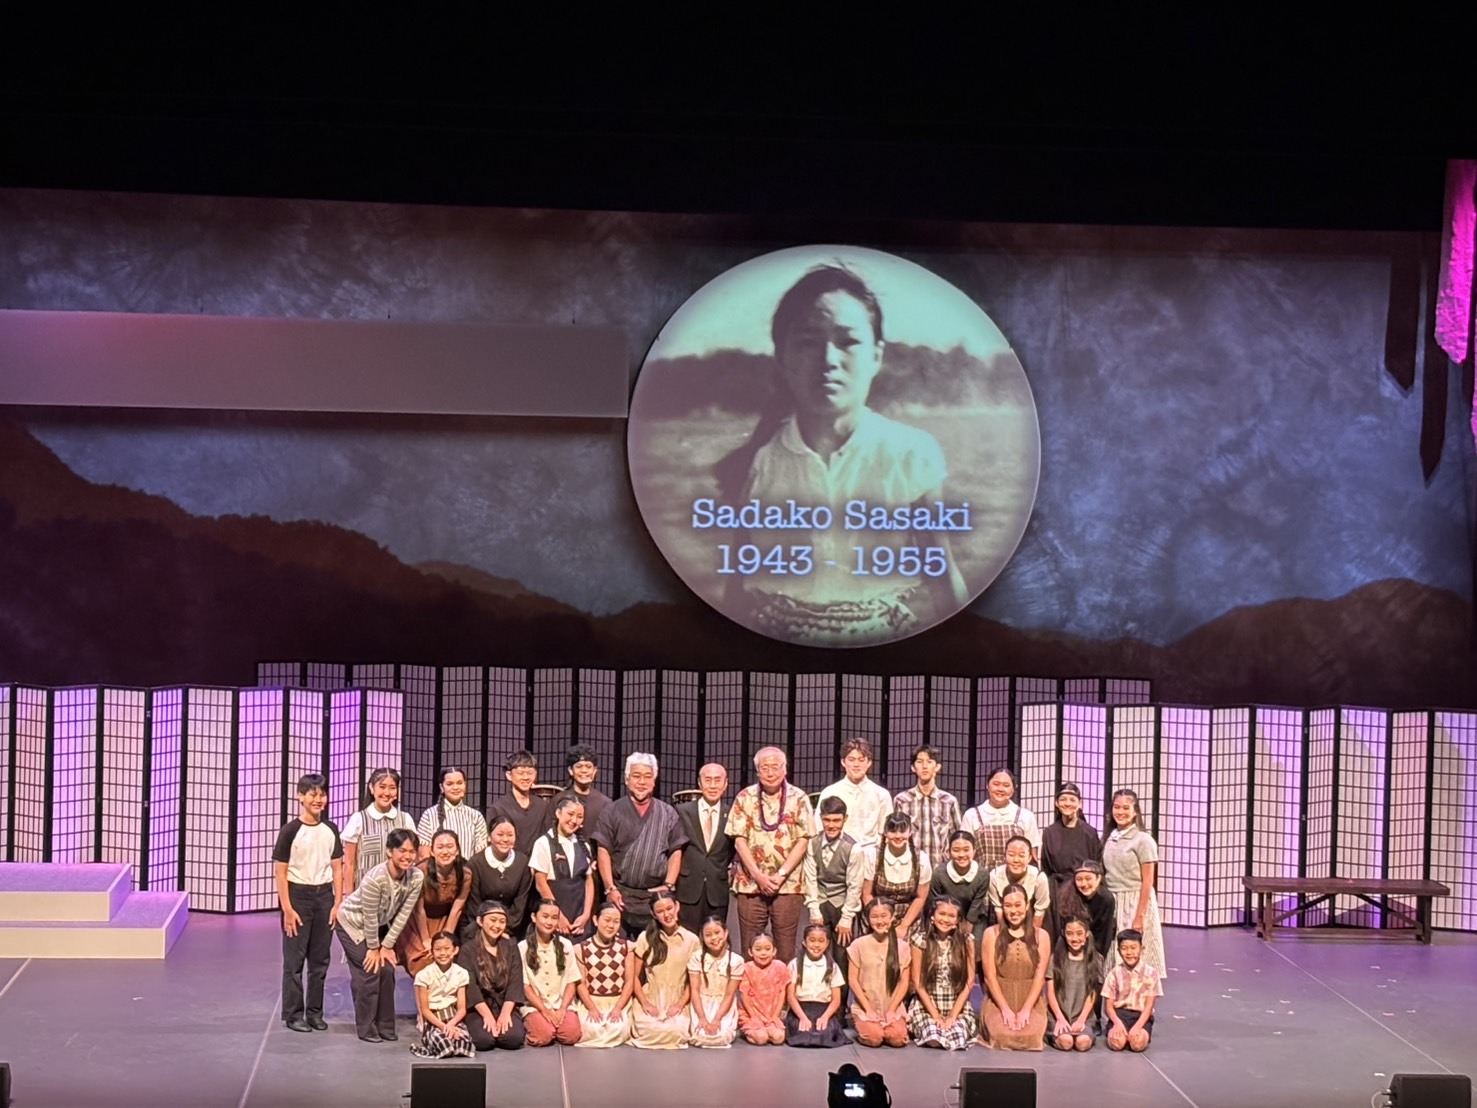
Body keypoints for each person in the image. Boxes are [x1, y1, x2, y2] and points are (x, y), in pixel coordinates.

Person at [719, 264, 967, 644]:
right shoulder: (758, 462)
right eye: (807, 342)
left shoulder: (910, 454)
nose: (828, 359)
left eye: (848, 341)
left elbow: (943, 577)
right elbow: (734, 592)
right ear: (782, 358)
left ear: (876, 356)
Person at [335, 827, 425, 1043]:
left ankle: (385, 1025)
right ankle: (366, 1027)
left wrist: (387, 946)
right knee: (371, 970)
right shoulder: (375, 878)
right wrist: (374, 948)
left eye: (412, 851)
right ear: (389, 852)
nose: (408, 856)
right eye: (402, 851)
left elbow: (403, 914)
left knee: (387, 970)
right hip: (351, 924)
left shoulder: (416, 877)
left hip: (377, 927)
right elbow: (369, 917)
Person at [727, 746, 816, 963]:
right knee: (751, 947)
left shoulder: (799, 798)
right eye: (764, 768)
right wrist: (758, 876)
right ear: (757, 771)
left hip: (788, 883)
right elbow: (739, 839)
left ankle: (783, 986)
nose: (770, 772)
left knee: (785, 950)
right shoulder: (744, 797)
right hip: (750, 883)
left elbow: (803, 840)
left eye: (775, 767)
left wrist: (781, 874)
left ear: (785, 769)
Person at [273, 773, 344, 1034]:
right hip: (298, 896)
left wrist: (337, 902)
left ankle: (315, 1012)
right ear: (300, 797)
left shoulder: (331, 829)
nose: (318, 799)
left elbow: (338, 868)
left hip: (324, 896)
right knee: (294, 961)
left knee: (320, 960)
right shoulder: (290, 831)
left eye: (322, 794)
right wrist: (287, 908)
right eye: (313, 794)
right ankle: (293, 1014)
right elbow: (281, 872)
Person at [590, 753, 688, 938]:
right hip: (620, 895)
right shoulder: (611, 811)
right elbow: (603, 850)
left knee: (654, 949)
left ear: (654, 781)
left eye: (647, 776)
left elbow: (676, 851)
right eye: (636, 776)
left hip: (655, 897)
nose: (642, 782)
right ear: (627, 779)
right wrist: (610, 888)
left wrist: (668, 885)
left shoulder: (668, 813)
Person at [1102, 789, 1166, 991]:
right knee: (1115, 956)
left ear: (1135, 811)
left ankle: (1141, 1004)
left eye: (1126, 808)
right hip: (1113, 900)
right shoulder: (1109, 837)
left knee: (1136, 955)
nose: (1120, 812)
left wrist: (1140, 915)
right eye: (1116, 807)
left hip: (1135, 899)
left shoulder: (1143, 840)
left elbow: (1148, 881)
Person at [802, 795, 865, 985]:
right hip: (820, 902)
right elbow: (810, 878)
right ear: (821, 818)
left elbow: (855, 885)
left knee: (841, 957)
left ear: (845, 819)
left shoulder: (853, 848)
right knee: (816, 952)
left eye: (836, 820)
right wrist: (814, 909)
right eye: (827, 820)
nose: (831, 825)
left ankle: (840, 1002)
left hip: (842, 905)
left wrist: (847, 917)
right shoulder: (812, 844)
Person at [979, 884, 1049, 1050]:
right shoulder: (991, 933)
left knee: (1030, 1037)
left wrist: (1026, 1010)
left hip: (1030, 999)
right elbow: (989, 977)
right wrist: (1005, 1010)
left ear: (1027, 905)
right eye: (1008, 906)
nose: (1013, 911)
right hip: (1000, 999)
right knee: (1004, 1036)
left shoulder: (1041, 936)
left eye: (1018, 905)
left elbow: (1039, 977)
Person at [906, 896, 979, 1050]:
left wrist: (952, 1016)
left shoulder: (967, 941)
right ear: (933, 916)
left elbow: (969, 981)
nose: (945, 919)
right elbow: (918, 983)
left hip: (956, 1004)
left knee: (957, 1037)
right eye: (942, 914)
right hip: (928, 1004)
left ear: (958, 920)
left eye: (951, 916)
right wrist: (936, 1016)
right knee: (933, 1037)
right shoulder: (920, 940)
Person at [397, 828, 472, 975]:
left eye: (449, 847)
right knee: (424, 958)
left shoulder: (465, 874)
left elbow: (456, 909)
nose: (445, 852)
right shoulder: (420, 872)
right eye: (440, 847)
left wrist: (446, 938)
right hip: (418, 921)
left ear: (457, 851)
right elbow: (419, 910)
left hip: (444, 919)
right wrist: (426, 940)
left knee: (445, 954)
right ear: (432, 851)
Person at [630, 890, 700, 1049]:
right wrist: (645, 1003)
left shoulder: (692, 940)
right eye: (660, 911)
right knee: (647, 1029)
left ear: (677, 906)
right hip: (651, 996)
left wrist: (680, 1004)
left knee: (675, 1031)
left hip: (678, 998)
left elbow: (694, 981)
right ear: (653, 914)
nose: (666, 914)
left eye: (669, 908)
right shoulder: (645, 938)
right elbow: (633, 976)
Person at [457, 901, 527, 1051]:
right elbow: (471, 988)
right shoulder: (467, 950)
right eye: (493, 920)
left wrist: (505, 1014)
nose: (497, 926)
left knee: (513, 1039)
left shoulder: (511, 947)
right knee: (484, 1041)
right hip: (479, 1007)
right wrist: (487, 1016)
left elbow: (515, 982)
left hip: (504, 1004)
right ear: (480, 921)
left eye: (502, 921)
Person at [674, 763, 735, 935]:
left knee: (716, 939)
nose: (713, 785)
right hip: (688, 888)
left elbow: (731, 851)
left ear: (726, 784)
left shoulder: (732, 814)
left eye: (717, 780)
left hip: (717, 889)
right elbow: (675, 848)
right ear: (699, 783)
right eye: (708, 780)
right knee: (688, 938)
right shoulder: (682, 811)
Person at [1039, 782, 1102, 939]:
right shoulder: (1049, 833)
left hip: (1082, 888)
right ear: (1056, 803)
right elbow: (1046, 866)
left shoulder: (1089, 833)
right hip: (1056, 889)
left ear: (1080, 804)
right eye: (1063, 799)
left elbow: (1097, 864)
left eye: (1072, 800)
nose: (1067, 803)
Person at [846, 898, 912, 1048]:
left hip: (891, 1006)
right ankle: (864, 1025)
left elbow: (904, 982)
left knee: (897, 1039)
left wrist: (891, 1010)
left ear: (892, 917)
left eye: (883, 916)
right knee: (874, 1038)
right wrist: (868, 1009)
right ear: (868, 919)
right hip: (865, 1005)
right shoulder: (858, 945)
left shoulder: (902, 947)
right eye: (874, 917)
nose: (879, 921)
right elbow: (853, 980)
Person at [341, 767, 416, 895]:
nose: (387, 792)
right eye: (382, 787)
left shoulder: (405, 820)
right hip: (366, 893)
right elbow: (349, 863)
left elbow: (413, 858)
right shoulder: (359, 819)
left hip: (398, 892)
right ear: (371, 788)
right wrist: (349, 896)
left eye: (392, 788)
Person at [518, 899, 584, 1046]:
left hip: (560, 1004)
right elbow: (525, 986)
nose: (549, 922)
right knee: (543, 1036)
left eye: (554, 918)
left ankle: (555, 1025)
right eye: (545, 916)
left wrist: (562, 1009)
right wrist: (545, 1010)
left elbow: (572, 981)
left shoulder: (566, 945)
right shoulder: (523, 947)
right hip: (535, 1006)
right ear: (534, 917)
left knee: (571, 1035)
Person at [529, 795, 595, 940]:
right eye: (570, 814)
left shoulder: (584, 846)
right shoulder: (543, 843)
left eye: (579, 817)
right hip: (554, 913)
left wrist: (586, 915)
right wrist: (557, 915)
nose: (574, 820)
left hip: (579, 915)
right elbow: (540, 883)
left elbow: (589, 882)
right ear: (558, 813)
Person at [573, 902, 635, 1048]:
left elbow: (629, 982)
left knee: (617, 1028)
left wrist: (618, 1007)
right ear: (595, 920)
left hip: (618, 1000)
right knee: (592, 1029)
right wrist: (592, 1008)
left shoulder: (626, 947)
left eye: (616, 921)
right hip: (592, 1000)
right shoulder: (582, 949)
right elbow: (581, 984)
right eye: (607, 920)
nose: (611, 926)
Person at [891, 744, 962, 866]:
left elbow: (958, 838)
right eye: (919, 762)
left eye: (929, 762)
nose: (924, 766)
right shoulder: (901, 801)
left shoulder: (949, 801)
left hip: (940, 869)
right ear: (913, 767)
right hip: (909, 867)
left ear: (937, 767)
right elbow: (894, 836)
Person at [861, 812, 930, 937]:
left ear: (910, 832)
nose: (898, 836)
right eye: (893, 831)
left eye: (902, 831)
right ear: (885, 833)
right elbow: (867, 894)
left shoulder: (921, 859)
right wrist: (880, 920)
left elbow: (920, 897)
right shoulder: (872, 856)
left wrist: (903, 926)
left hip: (909, 919)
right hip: (878, 919)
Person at [817, 737, 893, 849]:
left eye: (861, 760)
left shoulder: (881, 794)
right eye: (851, 760)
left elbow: (886, 833)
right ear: (843, 762)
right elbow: (819, 829)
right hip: (837, 852)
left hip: (870, 853)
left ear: (869, 762)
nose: (856, 764)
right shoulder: (830, 792)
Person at [410, 931, 474, 1059]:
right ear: (432, 952)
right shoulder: (424, 975)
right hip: (434, 1020)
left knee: (464, 1045)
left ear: (455, 950)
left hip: (453, 1018)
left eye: (447, 948)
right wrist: (443, 1027)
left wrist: (451, 1025)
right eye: (438, 949)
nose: (443, 953)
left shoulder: (461, 973)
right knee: (445, 1046)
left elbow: (461, 1008)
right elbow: (425, 1010)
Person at [466, 815, 534, 937]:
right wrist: (489, 927)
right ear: (489, 836)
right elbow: (474, 904)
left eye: (510, 835)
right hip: (480, 927)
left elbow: (520, 904)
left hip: (512, 928)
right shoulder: (476, 863)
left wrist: (503, 928)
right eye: (500, 834)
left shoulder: (523, 863)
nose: (505, 839)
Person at [960, 768, 1040, 870]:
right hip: (982, 877)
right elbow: (964, 852)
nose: (1000, 789)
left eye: (1006, 785)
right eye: (996, 784)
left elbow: (1033, 855)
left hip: (1017, 877)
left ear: (1013, 789)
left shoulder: (1026, 816)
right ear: (987, 785)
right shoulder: (971, 815)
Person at [785, 923, 848, 1048]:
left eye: (821, 941)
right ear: (804, 942)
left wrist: (825, 1017)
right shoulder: (794, 964)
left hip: (823, 1010)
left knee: (824, 1034)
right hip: (801, 1009)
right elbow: (790, 996)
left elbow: (836, 999)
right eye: (812, 940)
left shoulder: (832, 966)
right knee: (804, 1034)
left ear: (827, 943)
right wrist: (802, 1017)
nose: (816, 945)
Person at [1046, 915, 1103, 1052]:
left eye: (1079, 933)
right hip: (1059, 1015)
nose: (1074, 938)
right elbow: (1050, 993)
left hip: (1083, 1016)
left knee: (1082, 1043)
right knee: (1066, 1042)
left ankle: (1087, 1031)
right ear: (1063, 934)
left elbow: (1092, 993)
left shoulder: (1096, 960)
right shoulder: (1055, 959)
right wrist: (1060, 1018)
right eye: (1070, 934)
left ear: (1086, 934)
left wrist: (1081, 1020)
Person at [687, 915, 744, 1048]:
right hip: (701, 1004)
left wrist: (717, 1019)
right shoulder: (697, 957)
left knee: (720, 1037)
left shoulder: (736, 961)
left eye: (717, 932)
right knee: (701, 1036)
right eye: (708, 935)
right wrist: (702, 1018)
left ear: (726, 933)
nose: (714, 938)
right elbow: (694, 990)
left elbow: (729, 994)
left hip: (723, 1006)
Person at [1103, 928, 1160, 1052]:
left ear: (1141, 949)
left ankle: (1135, 1034)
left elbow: (1149, 1006)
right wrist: (1117, 1023)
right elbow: (1108, 1007)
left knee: (1137, 1044)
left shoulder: (1151, 973)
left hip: (1141, 1016)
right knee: (1117, 1044)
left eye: (1133, 948)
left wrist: (1138, 1026)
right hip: (1120, 1015)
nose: (1129, 952)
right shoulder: (1114, 974)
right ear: (1118, 951)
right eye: (1124, 948)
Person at [930, 829, 990, 943]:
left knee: (972, 944)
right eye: (956, 850)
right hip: (946, 916)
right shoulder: (939, 874)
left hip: (973, 919)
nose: (961, 855)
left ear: (974, 851)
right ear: (949, 852)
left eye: (966, 850)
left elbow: (975, 907)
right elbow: (935, 903)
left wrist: (965, 935)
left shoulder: (982, 874)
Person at [417, 767, 488, 860]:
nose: (455, 787)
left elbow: (480, 855)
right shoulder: (429, 815)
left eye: (459, 783)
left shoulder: (476, 816)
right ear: (441, 787)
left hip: (467, 868)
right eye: (449, 784)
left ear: (465, 785)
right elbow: (424, 856)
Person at [488, 751, 551, 851]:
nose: (526, 777)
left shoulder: (542, 806)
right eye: (520, 773)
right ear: (509, 775)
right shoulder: (498, 808)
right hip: (509, 859)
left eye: (530, 773)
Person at [737, 932, 790, 1046]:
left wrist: (775, 1015)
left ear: (774, 951)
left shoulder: (780, 966)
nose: (763, 953)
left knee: (779, 1038)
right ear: (750, 952)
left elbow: (782, 992)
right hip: (752, 1014)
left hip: (771, 1014)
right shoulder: (747, 968)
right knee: (761, 1038)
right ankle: (748, 1031)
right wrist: (753, 1016)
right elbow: (744, 995)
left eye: (767, 949)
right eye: (758, 949)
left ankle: (767, 1029)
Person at [987, 834, 1050, 925]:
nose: (1016, 860)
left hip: (1031, 920)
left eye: (1021, 856)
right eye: (1011, 855)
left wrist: (1032, 933)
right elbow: (998, 909)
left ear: (1029, 858)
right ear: (1005, 856)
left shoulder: (1039, 878)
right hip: (1005, 921)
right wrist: (1004, 932)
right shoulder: (994, 876)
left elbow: (1040, 911)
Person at [552, 744, 613, 838]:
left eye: (588, 767)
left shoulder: (605, 803)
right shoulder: (558, 800)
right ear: (571, 770)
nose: (584, 770)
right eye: (579, 766)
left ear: (594, 771)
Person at [1070, 859, 1118, 959]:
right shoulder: (1068, 896)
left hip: (1096, 948)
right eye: (1079, 879)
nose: (1083, 884)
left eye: (1088, 879)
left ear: (1098, 878)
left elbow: (1103, 935)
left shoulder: (1106, 900)